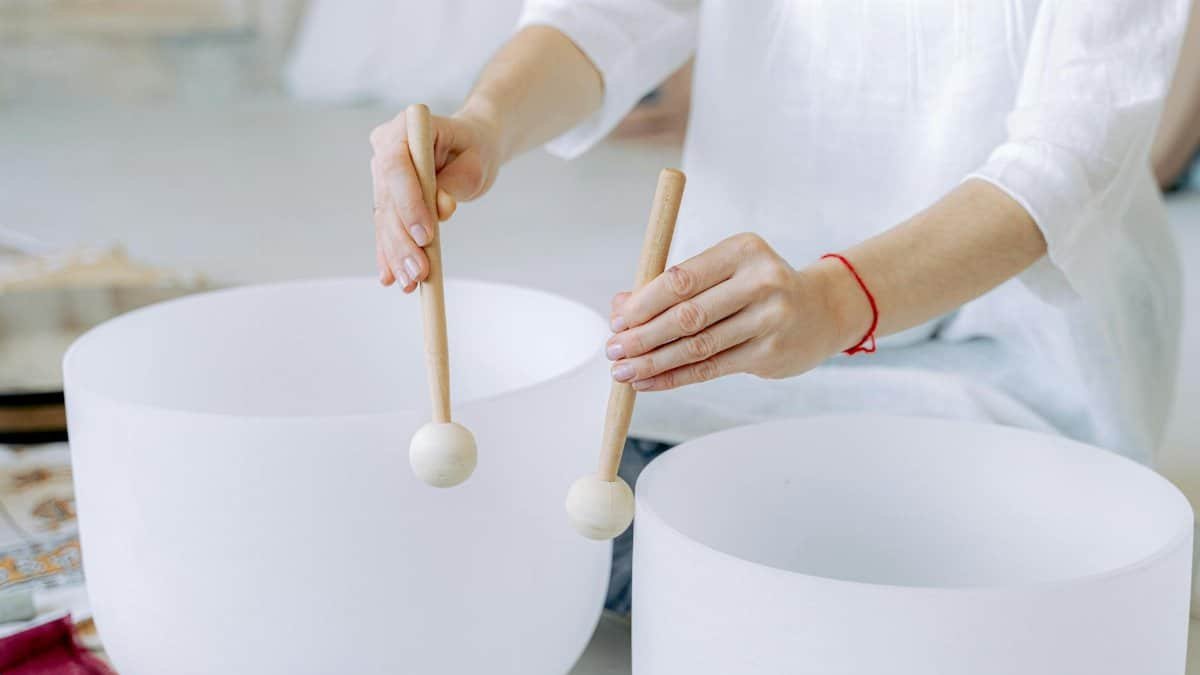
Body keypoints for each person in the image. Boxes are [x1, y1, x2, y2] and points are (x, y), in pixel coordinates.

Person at [368, 1, 1191, 613]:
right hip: (740, 346)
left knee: (963, 587)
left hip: (1014, 356)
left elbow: (1064, 164)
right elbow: (611, 12)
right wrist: (486, 119)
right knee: (510, 525)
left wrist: (836, 301)